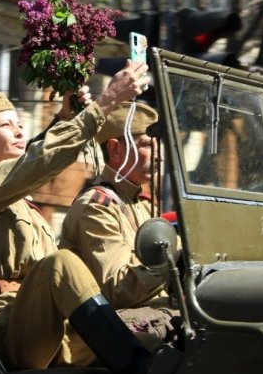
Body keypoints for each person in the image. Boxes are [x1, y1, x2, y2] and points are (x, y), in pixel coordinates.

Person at [0, 62, 180, 374]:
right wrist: (107, 102)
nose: (19, 130)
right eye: (5, 125)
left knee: (165, 319)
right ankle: (135, 368)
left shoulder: (13, 197)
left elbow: (35, 160)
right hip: (0, 326)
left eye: (18, 123)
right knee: (60, 265)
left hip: (44, 321)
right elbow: (37, 162)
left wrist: (68, 117)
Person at [60, 102, 178, 348]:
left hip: (152, 313)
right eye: (148, 144)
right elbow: (118, 290)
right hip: (110, 332)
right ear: (115, 149)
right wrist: (175, 265)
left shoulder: (140, 205)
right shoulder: (97, 206)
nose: (160, 155)